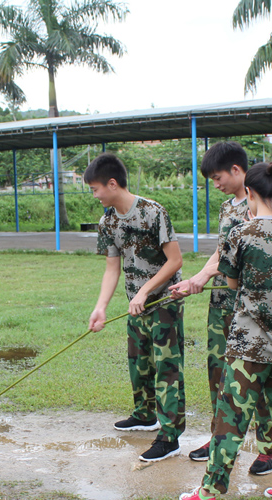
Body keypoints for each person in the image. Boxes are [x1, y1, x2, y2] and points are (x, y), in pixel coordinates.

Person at [179, 158, 272, 500]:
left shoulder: (241, 233)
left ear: (249, 192)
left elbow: (232, 282)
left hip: (247, 343)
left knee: (230, 419)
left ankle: (207, 493)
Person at [168, 141, 272, 476]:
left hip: (251, 303)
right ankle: (219, 437)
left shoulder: (260, 204)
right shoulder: (228, 208)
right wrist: (196, 279)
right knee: (218, 369)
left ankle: (268, 447)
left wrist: (200, 276)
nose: (216, 185)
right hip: (220, 301)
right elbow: (221, 252)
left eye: (218, 178)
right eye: (211, 180)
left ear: (237, 170)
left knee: (252, 372)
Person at [86, 152, 186, 462]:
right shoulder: (108, 221)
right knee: (139, 363)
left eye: (95, 189)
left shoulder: (153, 213)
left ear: (112, 184)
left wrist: (144, 291)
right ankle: (145, 414)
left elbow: (176, 260)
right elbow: (111, 269)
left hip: (164, 302)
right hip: (136, 306)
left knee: (166, 369)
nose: (94, 195)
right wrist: (101, 307)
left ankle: (170, 437)